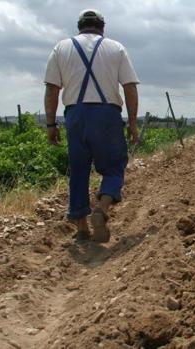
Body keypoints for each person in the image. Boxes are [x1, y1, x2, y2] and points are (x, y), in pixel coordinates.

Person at [44, 9, 139, 243]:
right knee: (115, 166)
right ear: (102, 28)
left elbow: (51, 90)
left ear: (79, 27)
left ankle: (82, 227)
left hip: (74, 115)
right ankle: (102, 208)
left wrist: (50, 124)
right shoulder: (116, 48)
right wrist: (133, 123)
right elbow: (130, 87)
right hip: (107, 114)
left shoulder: (61, 48)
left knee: (78, 170)